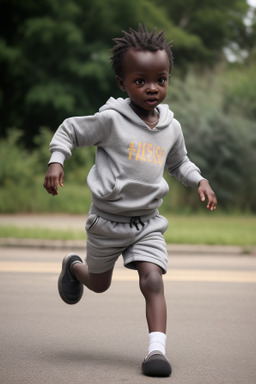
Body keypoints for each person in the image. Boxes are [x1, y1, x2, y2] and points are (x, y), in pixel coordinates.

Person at [43, 24, 217, 377]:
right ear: (123, 83)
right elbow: (70, 130)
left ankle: (157, 352)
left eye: (161, 79)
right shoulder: (111, 121)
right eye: (141, 80)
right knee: (99, 283)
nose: (152, 88)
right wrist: (57, 159)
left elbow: (179, 162)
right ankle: (74, 267)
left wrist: (199, 179)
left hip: (147, 224)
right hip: (107, 222)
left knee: (152, 279)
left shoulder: (171, 128)